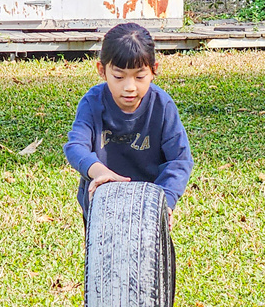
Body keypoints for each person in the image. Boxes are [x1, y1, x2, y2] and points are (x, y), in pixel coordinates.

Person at [64, 22, 193, 226]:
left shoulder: (162, 105)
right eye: (118, 76)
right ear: (101, 70)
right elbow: (75, 147)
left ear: (153, 70)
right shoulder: (92, 102)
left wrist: (164, 202)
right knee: (103, 257)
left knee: (152, 258)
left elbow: (179, 160)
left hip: (148, 209)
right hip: (100, 208)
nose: (129, 87)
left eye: (140, 76)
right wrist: (100, 172)